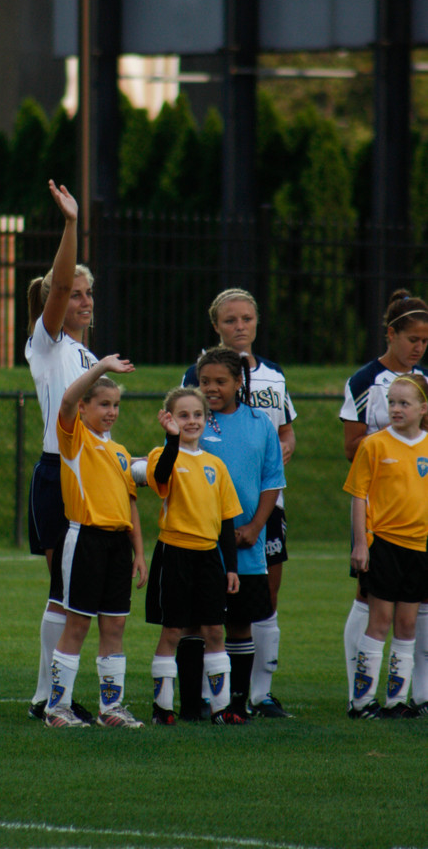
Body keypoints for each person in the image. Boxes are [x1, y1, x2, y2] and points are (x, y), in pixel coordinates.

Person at [183, 287, 296, 717]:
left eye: (246, 319)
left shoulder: (273, 378)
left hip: (256, 515)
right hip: (201, 523)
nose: (239, 326)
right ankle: (199, 700)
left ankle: (254, 695)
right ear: (216, 326)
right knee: (198, 615)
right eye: (230, 320)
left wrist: (286, 444)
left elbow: (283, 433)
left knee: (257, 603)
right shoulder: (195, 383)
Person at [25, 180, 97, 723]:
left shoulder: (86, 353)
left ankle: (51, 692)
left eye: (88, 294)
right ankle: (50, 694)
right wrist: (72, 224)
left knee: (74, 587)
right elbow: (58, 284)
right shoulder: (46, 344)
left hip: (87, 475)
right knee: (63, 586)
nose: (82, 300)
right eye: (74, 292)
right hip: (57, 473)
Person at [44, 355, 147, 728]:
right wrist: (101, 367)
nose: (111, 412)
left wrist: (139, 552)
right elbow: (67, 400)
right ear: (85, 408)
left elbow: (130, 505)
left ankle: (111, 709)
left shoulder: (120, 452)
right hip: (84, 540)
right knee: (78, 625)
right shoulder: (75, 439)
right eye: (104, 404)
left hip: (118, 546)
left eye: (116, 405)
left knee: (115, 627)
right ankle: (57, 709)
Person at [340, 289, 428, 711]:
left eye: (425, 341)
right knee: (372, 608)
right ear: (391, 334)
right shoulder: (365, 381)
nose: (419, 347)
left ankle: (411, 696)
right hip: (379, 525)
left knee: (410, 617)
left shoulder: (424, 382)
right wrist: (390, 444)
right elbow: (351, 446)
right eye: (413, 338)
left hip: (418, 532)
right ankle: (359, 696)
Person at [145, 386, 245, 726]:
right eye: (183, 415)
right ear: (170, 419)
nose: (191, 421)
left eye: (197, 415)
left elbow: (227, 518)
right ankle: (163, 710)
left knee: (215, 631)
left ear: (206, 419)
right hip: (174, 553)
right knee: (172, 630)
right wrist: (171, 440)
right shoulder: (163, 454)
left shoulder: (215, 464)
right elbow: (159, 477)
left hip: (208, 557)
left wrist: (230, 566)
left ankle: (221, 709)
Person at [197, 347, 285, 719]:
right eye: (204, 381)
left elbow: (271, 481)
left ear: (238, 382)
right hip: (199, 542)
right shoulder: (193, 420)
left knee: (239, 623)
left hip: (246, 544)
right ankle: (198, 699)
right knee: (196, 621)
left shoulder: (260, 423)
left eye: (220, 381)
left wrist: (255, 526)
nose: (211, 388)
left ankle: (237, 700)